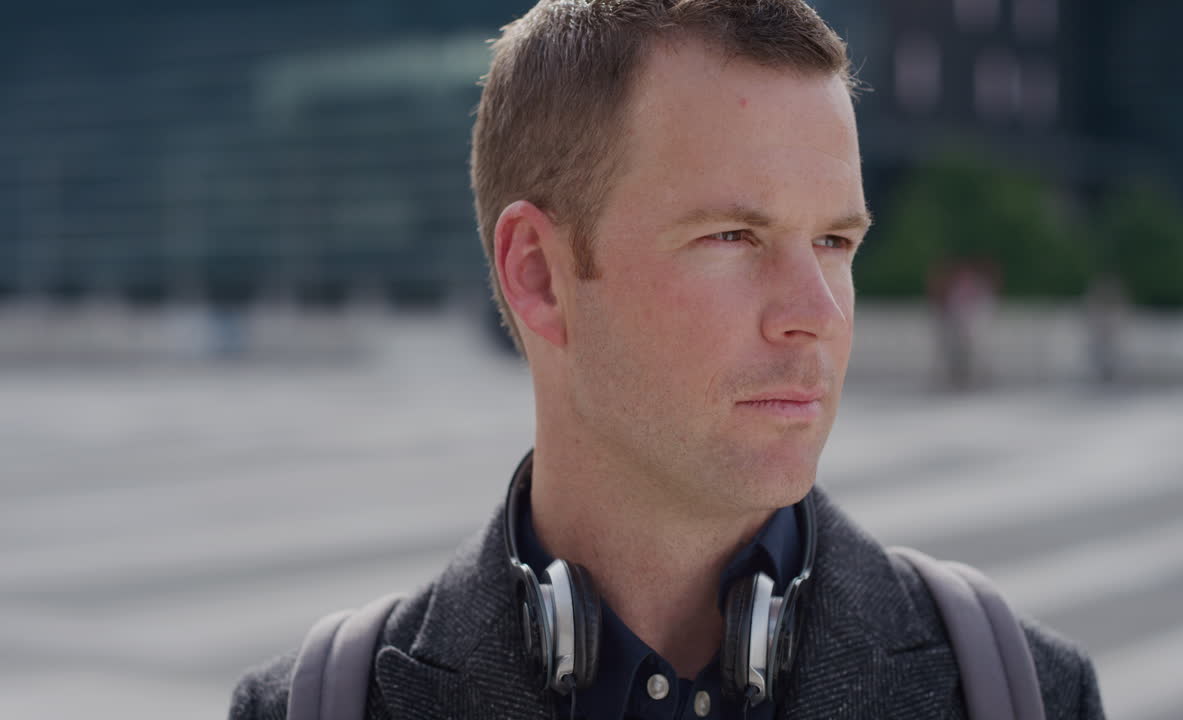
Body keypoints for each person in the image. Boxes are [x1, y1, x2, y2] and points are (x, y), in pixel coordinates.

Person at [229, 1, 1105, 718]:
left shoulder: (1025, 694)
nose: (820, 314)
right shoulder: (318, 707)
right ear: (539, 275)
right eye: (733, 235)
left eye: (836, 240)